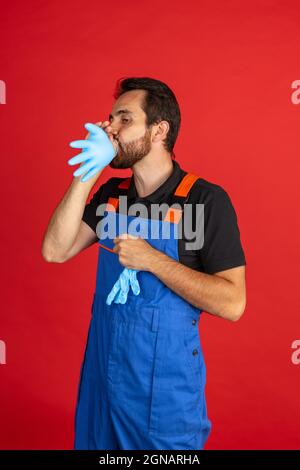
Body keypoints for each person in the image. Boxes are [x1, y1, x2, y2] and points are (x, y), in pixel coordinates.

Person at [42, 76, 247, 450]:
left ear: (159, 130)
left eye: (124, 119)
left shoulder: (202, 200)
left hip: (164, 397)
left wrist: (153, 259)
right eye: (111, 119)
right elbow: (55, 251)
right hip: (102, 387)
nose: (110, 130)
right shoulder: (111, 194)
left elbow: (233, 304)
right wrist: (85, 174)